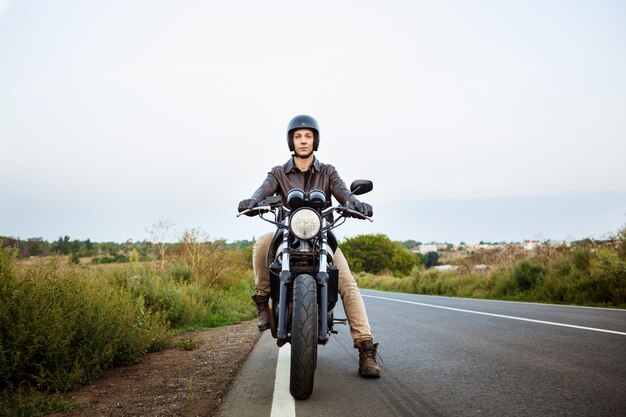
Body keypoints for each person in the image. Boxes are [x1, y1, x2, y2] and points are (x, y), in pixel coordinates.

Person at [238, 115, 380, 378]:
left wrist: (354, 203)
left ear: (315, 140)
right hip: (286, 235)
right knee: (261, 242)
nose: (303, 140)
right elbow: (263, 189)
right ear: (291, 140)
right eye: (298, 136)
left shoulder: (328, 171)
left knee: (348, 284)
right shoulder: (278, 172)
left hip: (321, 237)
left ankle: (366, 349)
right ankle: (262, 301)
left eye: (308, 136)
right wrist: (252, 200)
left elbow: (342, 192)